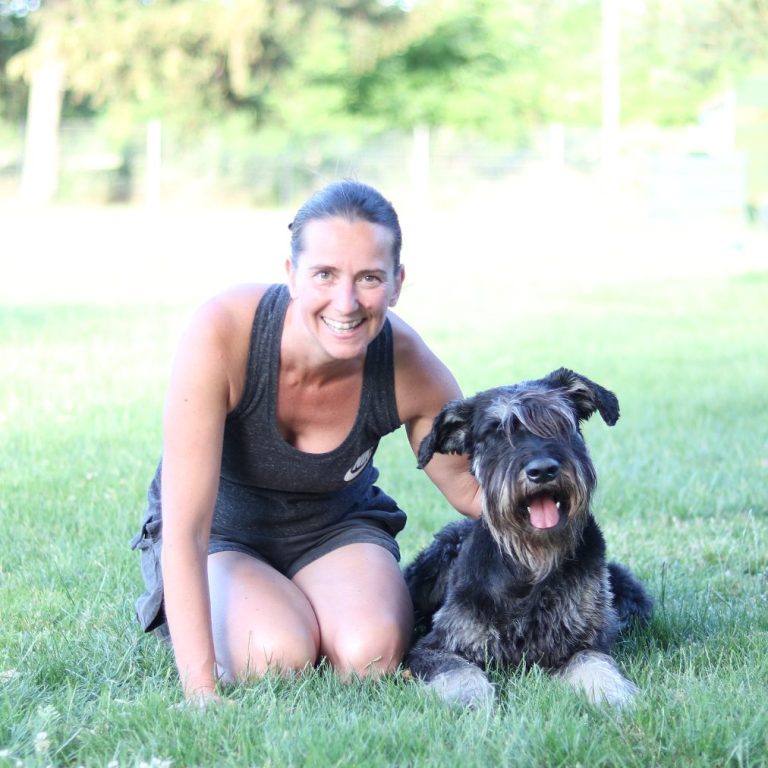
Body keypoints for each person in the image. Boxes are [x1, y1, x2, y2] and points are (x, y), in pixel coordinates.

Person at [132, 179, 481, 704]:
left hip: (335, 529)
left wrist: (554, 507)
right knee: (279, 654)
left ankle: (303, 606)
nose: (346, 302)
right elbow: (186, 529)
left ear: (397, 283)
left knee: (371, 653)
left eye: (368, 278)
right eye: (325, 274)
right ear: (292, 274)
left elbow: (473, 489)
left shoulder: (408, 366)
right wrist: (200, 690)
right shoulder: (223, 333)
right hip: (223, 534)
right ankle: (265, 613)